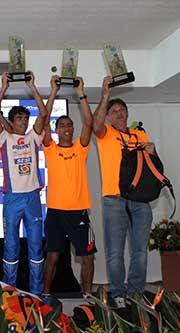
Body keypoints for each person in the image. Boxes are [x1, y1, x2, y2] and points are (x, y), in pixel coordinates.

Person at [93, 76, 154, 308]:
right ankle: (118, 293)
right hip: (114, 200)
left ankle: (136, 293)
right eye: (114, 111)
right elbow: (96, 125)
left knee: (139, 250)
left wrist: (152, 151)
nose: (118, 114)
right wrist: (105, 95)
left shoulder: (140, 135)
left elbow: (150, 167)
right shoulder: (105, 134)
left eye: (122, 110)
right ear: (109, 116)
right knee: (115, 252)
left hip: (140, 201)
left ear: (127, 114)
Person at [0, 71, 48, 295]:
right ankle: (9, 291)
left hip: (32, 197)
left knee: (35, 248)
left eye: (25, 118)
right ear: (12, 122)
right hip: (12, 199)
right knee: (11, 247)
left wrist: (32, 87)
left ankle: (36, 293)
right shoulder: (4, 138)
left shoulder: (34, 136)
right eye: (19, 118)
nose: (23, 121)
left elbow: (43, 113)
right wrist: (3, 87)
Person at [42, 75, 96, 298]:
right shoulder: (50, 149)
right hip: (55, 212)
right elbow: (43, 120)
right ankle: (45, 294)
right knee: (53, 256)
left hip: (79, 212)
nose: (66, 128)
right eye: (61, 125)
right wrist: (53, 92)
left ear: (73, 129)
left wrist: (81, 92)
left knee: (88, 256)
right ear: (56, 130)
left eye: (69, 125)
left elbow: (89, 123)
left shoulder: (80, 148)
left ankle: (87, 296)